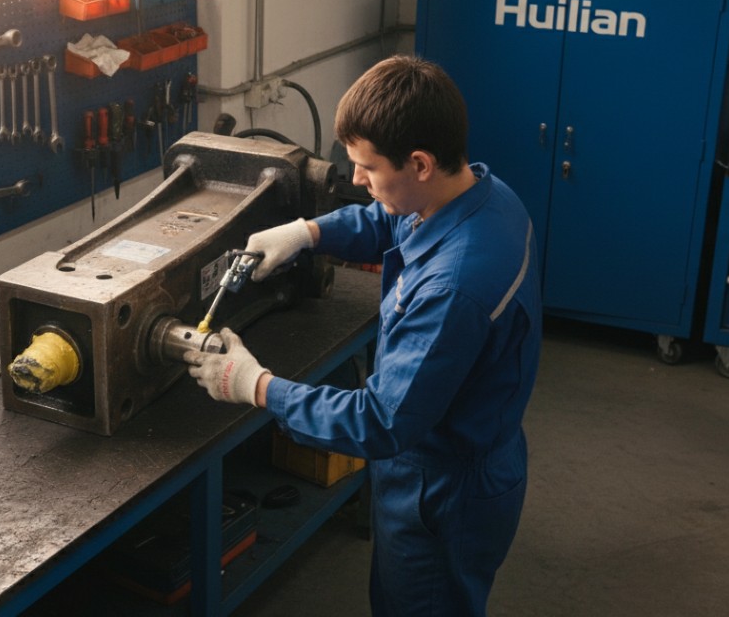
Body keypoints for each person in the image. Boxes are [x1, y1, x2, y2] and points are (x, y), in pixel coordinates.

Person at [183, 55, 542, 616]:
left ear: (420, 163)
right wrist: (308, 232)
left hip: (442, 488)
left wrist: (255, 385)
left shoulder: (455, 288)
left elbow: (380, 421)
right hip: (466, 450)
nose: (355, 180)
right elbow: (389, 220)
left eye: (367, 169)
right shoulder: (485, 196)